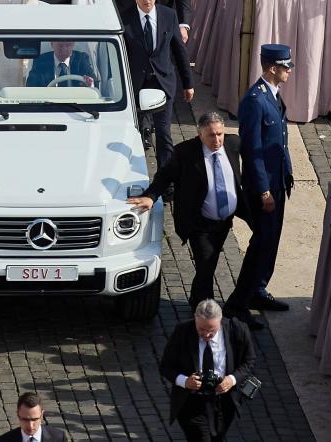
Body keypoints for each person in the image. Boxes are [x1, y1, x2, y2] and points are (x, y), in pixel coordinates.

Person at [128, 112, 243, 308]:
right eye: (211, 135)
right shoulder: (184, 153)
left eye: (220, 134)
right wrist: (151, 196)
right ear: (200, 134)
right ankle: (204, 311)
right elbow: (164, 176)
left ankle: (200, 301)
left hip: (225, 222)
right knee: (205, 266)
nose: (217, 140)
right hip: (199, 224)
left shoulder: (233, 144)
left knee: (210, 263)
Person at [226, 44, 294, 330]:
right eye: (285, 66)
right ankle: (238, 303)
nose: (289, 70)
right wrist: (264, 190)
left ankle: (258, 288)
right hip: (263, 186)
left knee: (271, 243)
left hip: (278, 181)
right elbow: (252, 149)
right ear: (271, 68)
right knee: (260, 244)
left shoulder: (273, 96)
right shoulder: (255, 100)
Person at [157, 299, 255, 442]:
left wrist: (231, 380)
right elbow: (166, 366)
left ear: (220, 322)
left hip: (224, 402)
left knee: (218, 438)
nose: (206, 335)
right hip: (192, 402)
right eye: (201, 329)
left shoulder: (237, 330)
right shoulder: (182, 332)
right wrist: (185, 381)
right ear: (195, 320)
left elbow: (249, 361)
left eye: (212, 330)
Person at [123, 0, 193, 168]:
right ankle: (134, 173)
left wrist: (188, 84)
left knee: (163, 133)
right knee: (134, 132)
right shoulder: (124, 18)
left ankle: (166, 178)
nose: (147, 0)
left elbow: (179, 51)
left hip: (163, 82)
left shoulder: (168, 15)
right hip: (135, 84)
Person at [0, 392, 71, 442]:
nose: (30, 425)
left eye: (34, 419)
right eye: (25, 419)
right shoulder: (4, 440)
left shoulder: (59, 438)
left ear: (41, 415)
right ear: (18, 415)